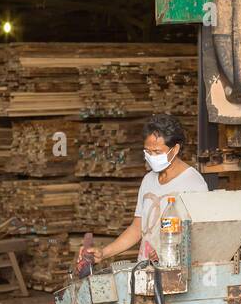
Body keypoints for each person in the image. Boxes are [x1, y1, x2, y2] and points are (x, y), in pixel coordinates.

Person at [86, 113, 208, 264]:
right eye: (148, 152)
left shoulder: (194, 184)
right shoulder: (148, 180)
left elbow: (202, 236)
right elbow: (137, 228)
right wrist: (104, 253)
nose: (152, 156)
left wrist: (171, 252)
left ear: (175, 149)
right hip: (146, 270)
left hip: (177, 273)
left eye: (157, 152)